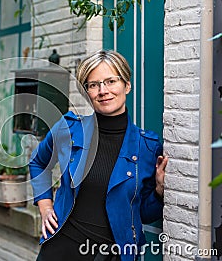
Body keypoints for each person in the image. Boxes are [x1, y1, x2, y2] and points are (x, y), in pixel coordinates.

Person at [29, 50, 168, 261]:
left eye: (111, 81)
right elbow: (39, 162)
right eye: (93, 85)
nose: (103, 91)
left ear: (126, 86)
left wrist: (159, 191)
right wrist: (45, 206)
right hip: (60, 249)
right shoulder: (69, 129)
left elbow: (142, 214)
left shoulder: (147, 146)